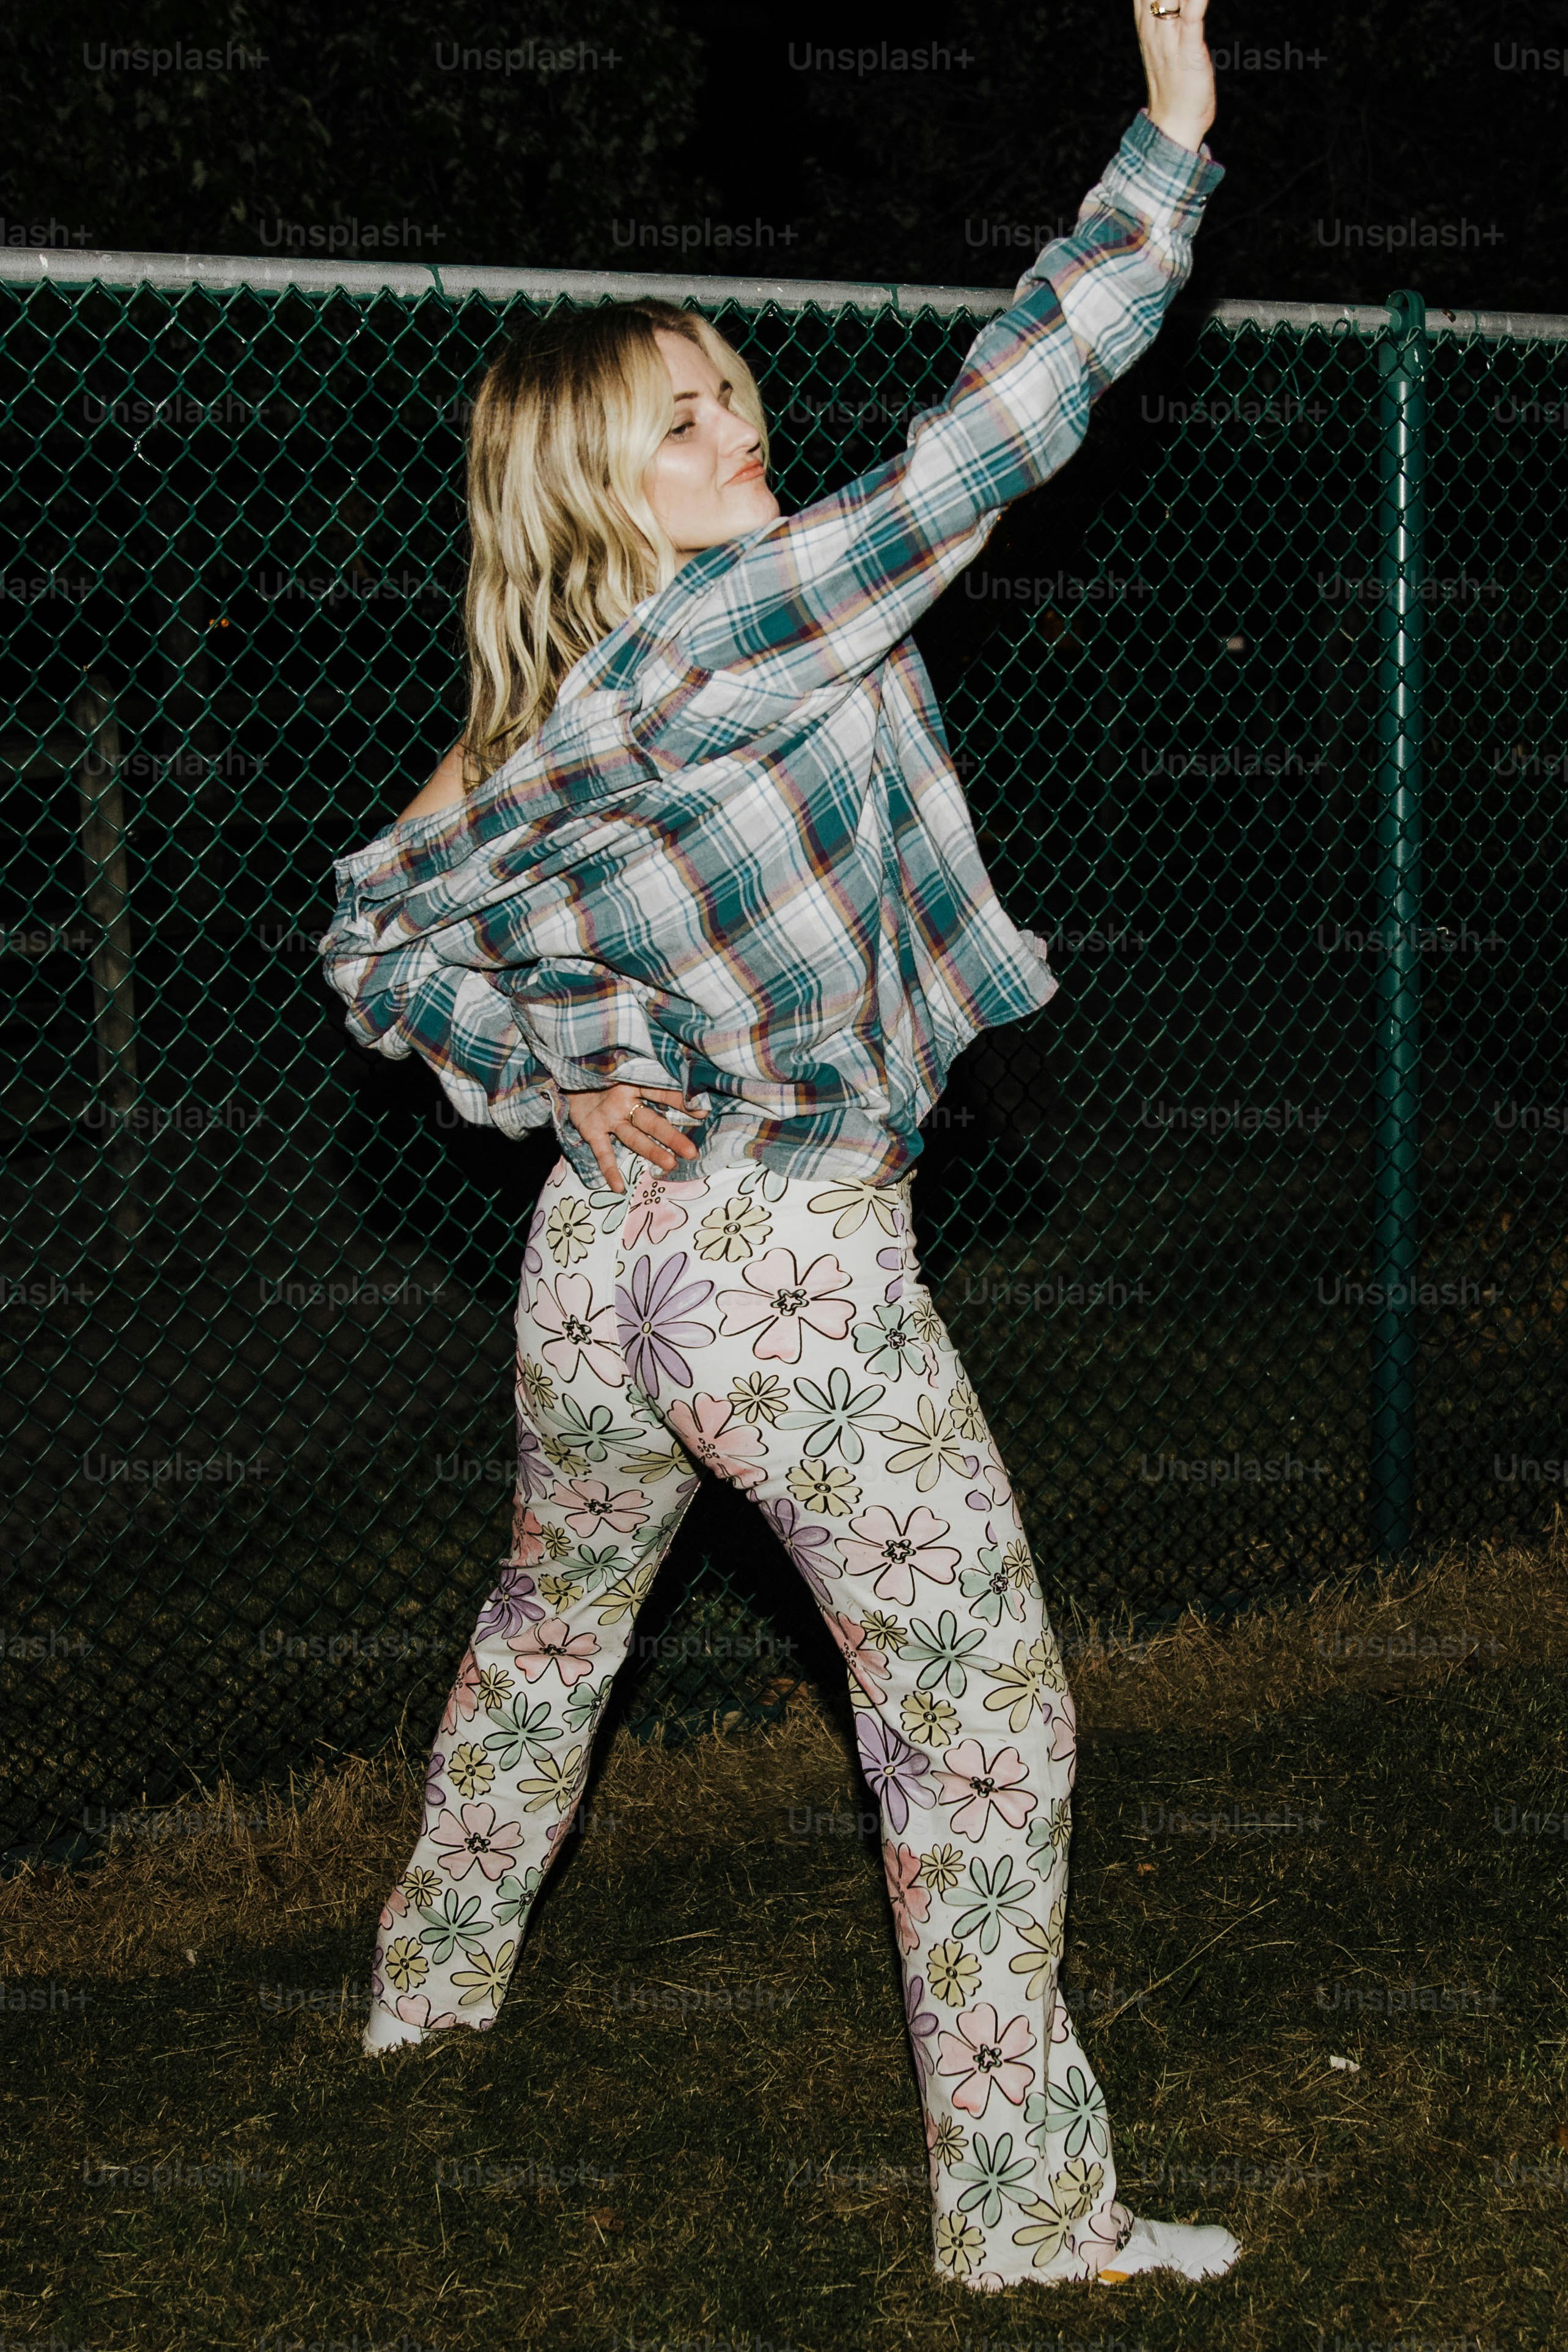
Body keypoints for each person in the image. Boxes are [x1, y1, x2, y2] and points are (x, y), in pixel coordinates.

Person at [320, 0, 1237, 2294]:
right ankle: (1028, 2222)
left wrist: (540, 1090)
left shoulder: (527, 735)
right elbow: (1003, 430)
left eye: (729, 389)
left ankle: (429, 1998)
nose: (736, 428)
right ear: (589, 490)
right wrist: (1174, 140)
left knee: (548, 1636)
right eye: (680, 420)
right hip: (782, 1276)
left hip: (595, 1267)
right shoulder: (756, 621)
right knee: (983, 1715)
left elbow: (368, 944)